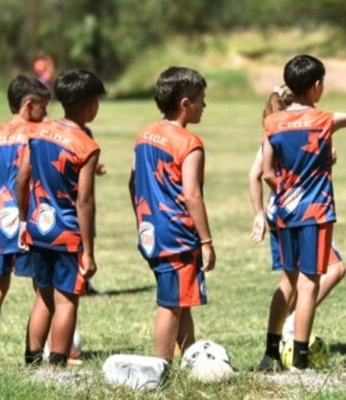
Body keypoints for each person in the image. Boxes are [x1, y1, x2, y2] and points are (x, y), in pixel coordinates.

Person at [260, 54, 346, 371]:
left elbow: (266, 173)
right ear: (317, 86)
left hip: (284, 213)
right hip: (315, 214)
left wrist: (288, 191)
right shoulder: (322, 119)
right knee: (308, 285)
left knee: (287, 282)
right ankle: (300, 361)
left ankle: (270, 354)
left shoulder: (272, 122)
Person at [17, 69, 104, 367]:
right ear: (91, 105)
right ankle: (56, 363)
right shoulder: (87, 146)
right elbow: (85, 200)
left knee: (43, 296)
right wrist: (89, 251)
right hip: (66, 234)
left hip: (38, 228)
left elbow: (22, 177)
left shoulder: (37, 131)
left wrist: (22, 217)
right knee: (66, 299)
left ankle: (31, 360)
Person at [128, 66, 216, 362]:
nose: (205, 105)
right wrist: (206, 241)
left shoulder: (145, 135)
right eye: (201, 99)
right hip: (176, 235)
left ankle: (191, 361)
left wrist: (141, 219)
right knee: (170, 305)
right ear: (185, 104)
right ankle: (160, 369)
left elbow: (133, 182)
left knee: (181, 300)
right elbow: (192, 194)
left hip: (151, 231)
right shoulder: (190, 143)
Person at [249, 84, 346, 345]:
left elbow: (258, 174)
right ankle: (293, 324)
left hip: (280, 211)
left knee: (292, 279)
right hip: (302, 211)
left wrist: (260, 213)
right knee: (328, 272)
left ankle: (278, 340)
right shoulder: (287, 132)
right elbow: (260, 174)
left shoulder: (276, 132)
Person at [0, 75, 50, 370]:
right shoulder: (36, 133)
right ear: (28, 105)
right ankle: (37, 353)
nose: (46, 114)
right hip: (30, 219)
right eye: (43, 107)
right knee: (44, 288)